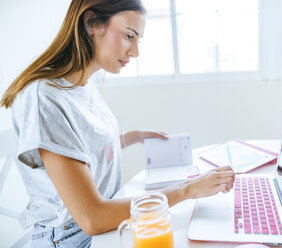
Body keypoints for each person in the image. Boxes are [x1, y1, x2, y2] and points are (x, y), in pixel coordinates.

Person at [0, 0, 235, 247]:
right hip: (74, 236)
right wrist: (188, 189)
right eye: (128, 36)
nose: (135, 51)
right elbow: (92, 217)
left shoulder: (80, 83)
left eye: (138, 40)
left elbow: (81, 150)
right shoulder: (44, 98)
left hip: (103, 220)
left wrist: (129, 138)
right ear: (92, 23)